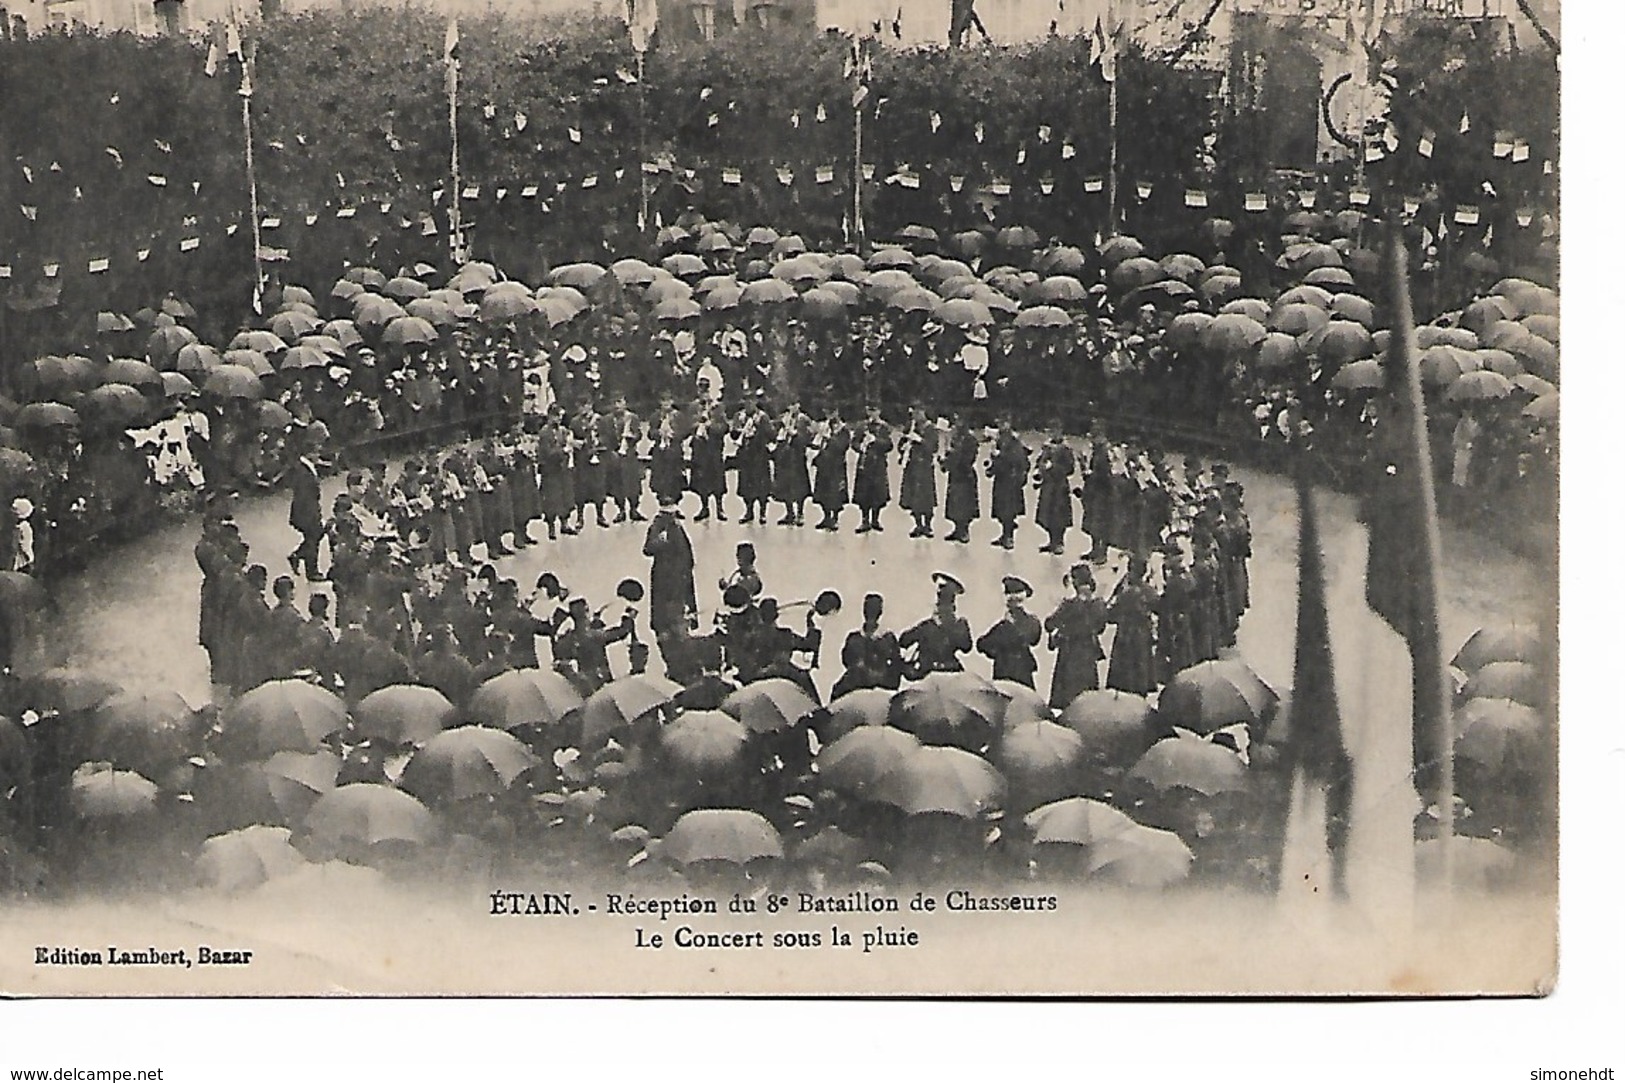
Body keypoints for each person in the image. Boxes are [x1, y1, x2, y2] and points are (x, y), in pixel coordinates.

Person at [1044, 563, 1109, 709]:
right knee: (1087, 693)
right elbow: (1100, 628)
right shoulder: (1098, 605)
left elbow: (1049, 623)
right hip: (1088, 652)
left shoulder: (1069, 605)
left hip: (1069, 651)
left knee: (1067, 693)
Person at [643, 495, 697, 648]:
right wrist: (660, 542)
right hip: (666, 574)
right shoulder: (657, 526)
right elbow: (647, 549)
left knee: (679, 602)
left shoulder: (676, 525)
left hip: (679, 572)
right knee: (667, 604)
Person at [900, 572, 972, 677]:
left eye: (946, 604)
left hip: (949, 672)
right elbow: (904, 641)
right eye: (940, 603)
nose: (941, 608)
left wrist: (952, 627)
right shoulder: (927, 627)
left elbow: (966, 646)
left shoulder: (958, 626)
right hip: (927, 673)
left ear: (953, 606)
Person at [833, 592, 903, 698]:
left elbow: (896, 668)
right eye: (868, 609)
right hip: (855, 686)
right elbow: (846, 660)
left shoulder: (888, 639)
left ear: (880, 612)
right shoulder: (854, 638)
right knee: (837, 692)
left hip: (881, 687)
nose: (870, 613)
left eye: (873, 609)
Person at [976, 576, 1042, 687]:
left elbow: (1032, 639)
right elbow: (982, 644)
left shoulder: (1009, 625)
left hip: (1014, 670)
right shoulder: (1004, 626)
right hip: (1009, 669)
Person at [1105, 555, 1157, 695]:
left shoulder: (1126, 593)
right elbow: (1158, 607)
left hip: (1127, 634)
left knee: (1125, 670)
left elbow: (1111, 615)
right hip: (1144, 633)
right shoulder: (1149, 590)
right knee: (1141, 665)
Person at [1033, 423, 1077, 555]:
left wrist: (1054, 467)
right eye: (1050, 431)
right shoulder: (1047, 447)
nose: (1052, 434)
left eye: (1054, 431)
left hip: (1059, 485)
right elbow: (1040, 461)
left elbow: (1070, 469)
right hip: (1048, 484)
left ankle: (1059, 542)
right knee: (1047, 513)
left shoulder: (1065, 449)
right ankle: (1051, 541)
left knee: (1059, 515)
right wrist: (1040, 468)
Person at [287, 434, 325, 580]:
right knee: (313, 537)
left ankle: (297, 556)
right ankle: (312, 571)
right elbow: (305, 498)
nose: (319, 455)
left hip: (306, 510)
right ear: (309, 454)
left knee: (313, 537)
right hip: (306, 512)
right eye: (317, 452)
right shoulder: (304, 473)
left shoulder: (304, 468)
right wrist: (314, 515)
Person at [899, 408, 940, 539]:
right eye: (914, 414)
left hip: (925, 466)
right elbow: (901, 443)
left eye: (918, 413)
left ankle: (928, 525)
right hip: (912, 465)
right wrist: (904, 446)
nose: (915, 416)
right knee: (914, 497)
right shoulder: (910, 427)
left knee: (926, 497)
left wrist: (919, 440)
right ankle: (918, 524)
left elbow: (933, 448)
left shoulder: (930, 429)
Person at [770, 401, 813, 527]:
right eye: (789, 405)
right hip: (785, 455)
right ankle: (789, 512)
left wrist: (794, 434)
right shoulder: (785, 418)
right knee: (785, 485)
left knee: (799, 485)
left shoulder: (803, 419)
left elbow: (807, 438)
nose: (791, 408)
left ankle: (800, 513)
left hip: (797, 455)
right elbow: (776, 433)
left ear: (798, 405)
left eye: (793, 405)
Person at [988, 420, 1029, 550]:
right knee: (1001, 509)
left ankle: (1009, 536)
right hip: (1001, 478)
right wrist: (992, 468)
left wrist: (1000, 455)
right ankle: (1004, 534)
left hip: (1011, 480)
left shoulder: (1014, 441)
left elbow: (1017, 459)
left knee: (1009, 510)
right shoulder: (999, 440)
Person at [852, 407, 893, 534]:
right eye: (870, 411)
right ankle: (864, 519)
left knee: (878, 492)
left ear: (879, 412)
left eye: (874, 411)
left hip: (878, 463)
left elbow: (889, 445)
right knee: (864, 492)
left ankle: (875, 519)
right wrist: (860, 447)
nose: (872, 414)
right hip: (865, 463)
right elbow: (854, 443)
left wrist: (875, 441)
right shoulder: (862, 426)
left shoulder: (884, 427)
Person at [733, 394, 773, 525]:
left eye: (751, 401)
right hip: (745, 454)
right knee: (746, 484)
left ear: (755, 402)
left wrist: (759, 427)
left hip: (759, 454)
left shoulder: (763, 417)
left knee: (761, 485)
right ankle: (748, 511)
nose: (748, 404)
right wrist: (738, 430)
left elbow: (771, 434)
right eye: (746, 401)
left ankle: (762, 513)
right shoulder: (740, 416)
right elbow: (733, 434)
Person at [811, 406, 851, 532]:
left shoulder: (843, 430)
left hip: (836, 465)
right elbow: (816, 443)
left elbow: (842, 446)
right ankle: (826, 516)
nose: (829, 416)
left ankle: (835, 518)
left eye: (831, 413)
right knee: (823, 492)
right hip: (824, 463)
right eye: (827, 413)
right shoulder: (824, 426)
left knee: (835, 493)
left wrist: (829, 437)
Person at [688, 404, 728, 522]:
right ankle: (704, 508)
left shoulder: (719, 412)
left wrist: (710, 425)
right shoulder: (696, 410)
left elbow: (724, 429)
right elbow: (689, 427)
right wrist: (698, 424)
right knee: (702, 483)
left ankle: (719, 508)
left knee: (717, 483)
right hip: (700, 454)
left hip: (714, 454)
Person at [942, 421, 980, 544]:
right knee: (955, 503)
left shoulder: (970, 440)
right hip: (955, 474)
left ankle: (964, 530)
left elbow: (968, 458)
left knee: (965, 503)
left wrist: (952, 458)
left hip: (965, 474)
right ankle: (957, 528)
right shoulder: (955, 438)